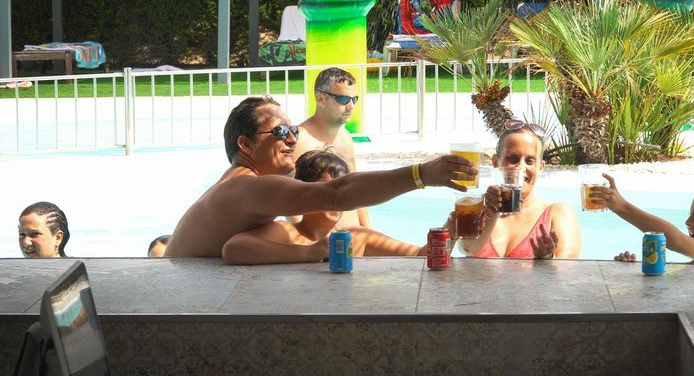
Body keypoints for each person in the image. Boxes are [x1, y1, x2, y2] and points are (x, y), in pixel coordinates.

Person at [163, 95, 475, 263]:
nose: (292, 139)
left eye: (293, 131)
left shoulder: (235, 185)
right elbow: (338, 193)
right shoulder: (246, 186)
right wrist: (423, 174)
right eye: (280, 132)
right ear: (245, 144)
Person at [226, 150, 425, 258]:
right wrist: (308, 253)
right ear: (306, 193)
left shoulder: (357, 237)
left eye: (344, 194)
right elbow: (234, 248)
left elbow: (420, 255)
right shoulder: (286, 233)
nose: (337, 200)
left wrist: (445, 233)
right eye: (327, 190)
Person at [453, 120, 583, 259]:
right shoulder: (475, 209)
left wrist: (547, 258)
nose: (520, 167)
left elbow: (569, 267)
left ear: (540, 167)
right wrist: (491, 213)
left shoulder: (557, 214)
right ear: (496, 162)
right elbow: (467, 250)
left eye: (530, 161)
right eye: (512, 158)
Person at [592, 177, 694, 266]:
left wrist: (622, 207)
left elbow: (675, 241)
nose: (688, 222)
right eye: (690, 214)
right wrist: (634, 267)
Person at [293, 67, 370, 228]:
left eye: (354, 99)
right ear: (320, 99)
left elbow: (356, 188)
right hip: (322, 241)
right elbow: (291, 202)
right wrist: (307, 241)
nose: (351, 106)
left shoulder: (345, 137)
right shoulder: (299, 141)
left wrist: (367, 231)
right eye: (343, 99)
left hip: (352, 236)